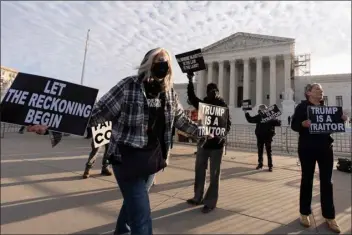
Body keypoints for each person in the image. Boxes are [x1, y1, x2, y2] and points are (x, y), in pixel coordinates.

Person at [27, 47, 210, 235]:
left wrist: (203, 132)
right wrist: (52, 125)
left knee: (132, 204)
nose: (163, 66)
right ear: (148, 64)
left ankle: (121, 231)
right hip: (126, 159)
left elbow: (180, 119)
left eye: (166, 62)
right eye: (158, 61)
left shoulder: (169, 93)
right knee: (142, 216)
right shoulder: (128, 86)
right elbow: (95, 115)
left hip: (152, 160)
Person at [291, 83, 347, 233]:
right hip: (307, 148)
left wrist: (341, 120)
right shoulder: (302, 107)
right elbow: (294, 125)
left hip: (325, 148)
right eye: (317, 89)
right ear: (309, 93)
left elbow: (333, 126)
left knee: (327, 182)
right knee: (307, 179)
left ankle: (330, 216)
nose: (321, 92)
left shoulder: (326, 109)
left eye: (322, 90)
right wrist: (303, 123)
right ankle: (304, 213)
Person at [185, 72, 231, 213]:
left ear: (217, 92)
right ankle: (197, 197)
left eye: (214, 90)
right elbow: (192, 97)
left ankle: (210, 202)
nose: (212, 92)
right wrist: (190, 80)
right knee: (199, 171)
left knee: (214, 174)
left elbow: (228, 124)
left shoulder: (223, 106)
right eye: (210, 90)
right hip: (203, 143)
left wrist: (220, 135)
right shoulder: (203, 104)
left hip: (216, 145)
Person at [244, 104, 281, 172]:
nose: (263, 110)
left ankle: (270, 166)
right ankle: (260, 164)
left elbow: (278, 123)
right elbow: (250, 120)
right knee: (260, 151)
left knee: (268, 151)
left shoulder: (270, 116)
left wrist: (274, 119)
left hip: (268, 136)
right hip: (260, 136)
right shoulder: (259, 116)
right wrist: (246, 113)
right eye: (262, 109)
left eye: (264, 109)